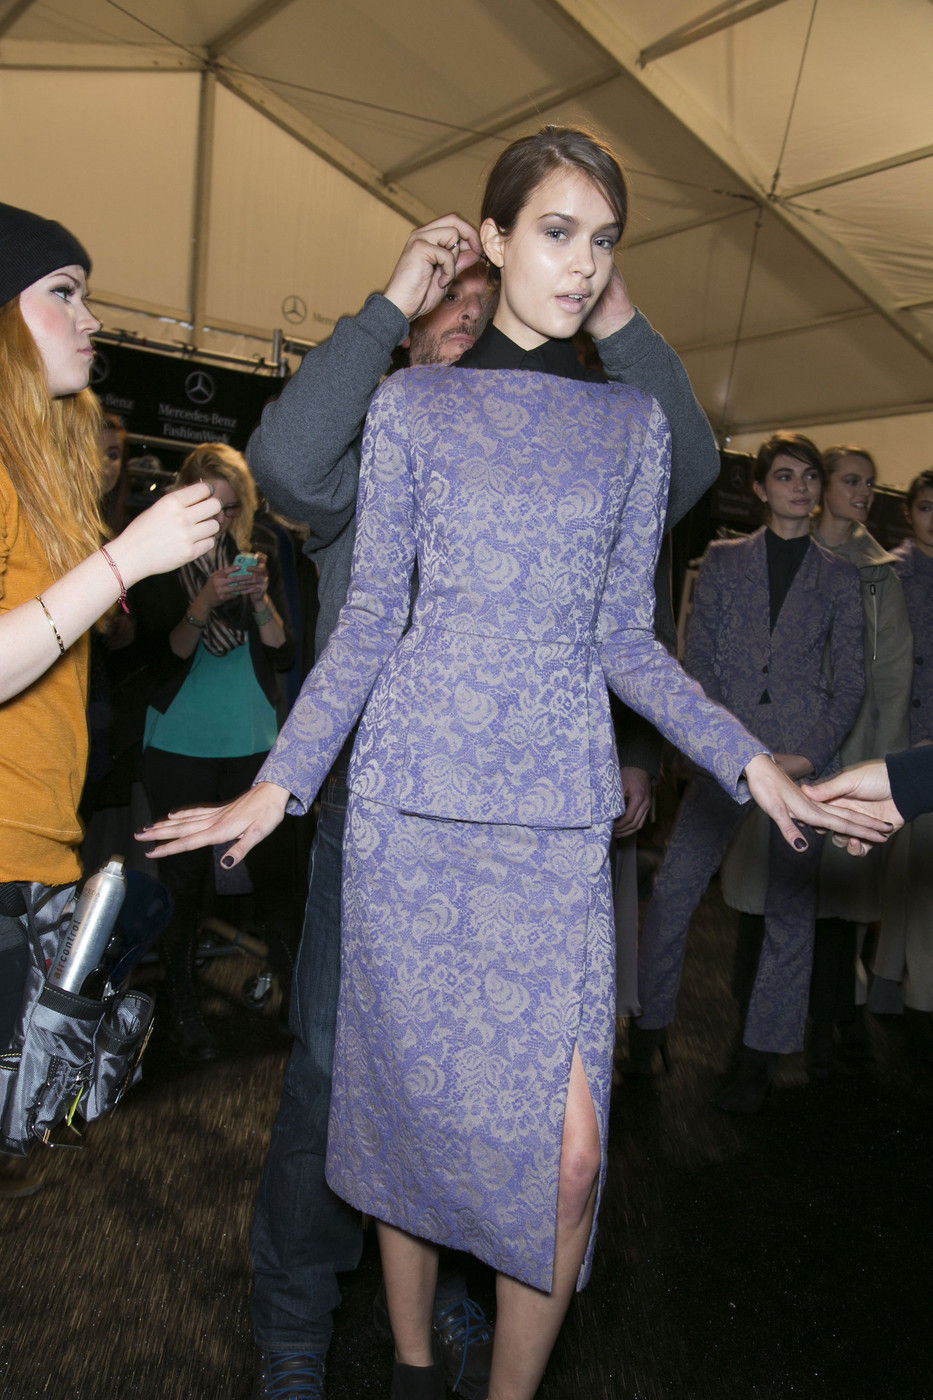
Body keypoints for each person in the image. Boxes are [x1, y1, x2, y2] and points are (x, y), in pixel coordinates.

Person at [139, 129, 888, 1400]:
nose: (583, 263)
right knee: (406, 1117)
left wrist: (748, 759)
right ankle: (414, 1365)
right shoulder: (408, 406)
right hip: (410, 820)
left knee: (573, 1159)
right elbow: (370, 623)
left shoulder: (632, 427)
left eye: (604, 239)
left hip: (550, 837)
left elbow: (624, 639)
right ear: (490, 239)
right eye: (555, 231)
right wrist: (283, 779)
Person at [238, 196, 723, 1399]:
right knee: (346, 1078)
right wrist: (390, 304)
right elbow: (283, 462)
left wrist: (609, 307)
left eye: (479, 305)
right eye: (448, 310)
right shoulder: (382, 430)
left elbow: (682, 479)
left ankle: (459, 1309)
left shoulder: (592, 425)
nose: (470, 323)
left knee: (507, 1117)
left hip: (534, 820)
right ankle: (297, 1324)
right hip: (379, 799)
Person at [0, 200, 221, 1196]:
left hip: (33, 854)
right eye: (64, 292)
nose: (91, 318)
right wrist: (127, 560)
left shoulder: (36, 474)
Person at [631, 433, 864, 1111]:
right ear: (759, 488)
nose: (800, 486)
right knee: (673, 892)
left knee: (790, 912)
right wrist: (721, 747)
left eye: (809, 476)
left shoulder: (840, 576)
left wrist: (806, 758)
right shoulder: (724, 560)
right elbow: (696, 659)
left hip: (804, 760)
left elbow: (849, 684)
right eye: (784, 476)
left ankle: (758, 1060)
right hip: (726, 750)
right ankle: (646, 1031)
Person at [721, 444, 912, 1073]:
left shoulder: (877, 573)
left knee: (832, 909)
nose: (864, 494)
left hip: (848, 757)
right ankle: (753, 1046)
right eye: (851, 480)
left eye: (870, 483)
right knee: (768, 902)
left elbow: (888, 680)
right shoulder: (764, 558)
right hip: (777, 749)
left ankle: (823, 1043)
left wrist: (886, 766)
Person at [133, 443, 295, 1060]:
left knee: (274, 874)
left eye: (230, 508)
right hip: (180, 738)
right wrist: (203, 602)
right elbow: (164, 655)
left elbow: (283, 650)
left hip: (253, 737)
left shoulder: (264, 549)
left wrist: (257, 599)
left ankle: (294, 1004)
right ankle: (182, 1011)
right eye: (209, 505)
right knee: (184, 881)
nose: (220, 519)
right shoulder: (158, 554)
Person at [869, 469, 933, 1057]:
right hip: (902, 740)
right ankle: (910, 998)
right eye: (927, 506)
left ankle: (893, 987)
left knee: (917, 878)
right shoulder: (889, 572)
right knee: (905, 876)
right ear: (909, 513)